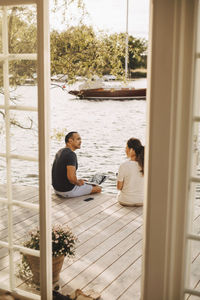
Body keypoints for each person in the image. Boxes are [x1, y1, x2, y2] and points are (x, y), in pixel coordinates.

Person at [52, 131, 101, 198]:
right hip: (67, 191)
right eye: (78, 139)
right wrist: (78, 183)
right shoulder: (71, 154)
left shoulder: (60, 151)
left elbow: (63, 174)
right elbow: (71, 178)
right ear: (70, 141)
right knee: (98, 188)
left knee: (86, 183)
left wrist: (78, 180)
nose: (80, 141)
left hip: (57, 190)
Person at [117, 138, 144, 206]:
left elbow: (119, 187)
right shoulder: (146, 165)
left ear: (131, 150)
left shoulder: (124, 166)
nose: (125, 150)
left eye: (126, 148)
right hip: (142, 200)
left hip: (125, 201)